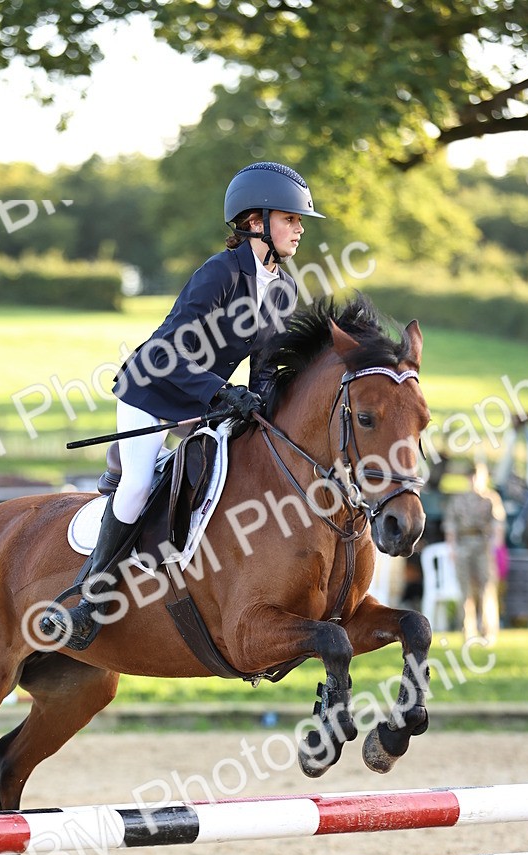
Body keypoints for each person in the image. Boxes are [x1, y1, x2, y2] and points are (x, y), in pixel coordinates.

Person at [42, 161, 325, 649]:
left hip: (206, 398)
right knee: (137, 484)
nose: (300, 229)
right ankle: (90, 599)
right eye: (291, 219)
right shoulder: (219, 273)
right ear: (255, 221)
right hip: (154, 387)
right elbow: (168, 351)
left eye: (299, 221)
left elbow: (263, 368)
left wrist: (270, 402)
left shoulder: (283, 286)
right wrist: (219, 392)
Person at [444, 461, 506, 642]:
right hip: (463, 545)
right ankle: (467, 630)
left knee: (486, 588)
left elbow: (498, 525)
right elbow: (450, 525)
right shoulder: (458, 499)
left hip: (483, 545)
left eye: (477, 475)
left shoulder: (491, 499)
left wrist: (496, 547)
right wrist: (452, 548)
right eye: (471, 476)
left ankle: (488, 630)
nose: (474, 479)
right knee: (465, 590)